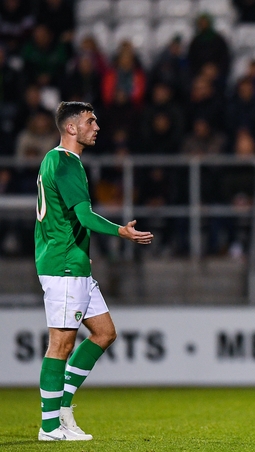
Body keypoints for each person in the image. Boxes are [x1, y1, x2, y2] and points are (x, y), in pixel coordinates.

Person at [35, 102, 153, 441]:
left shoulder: (52, 159)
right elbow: (85, 217)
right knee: (61, 344)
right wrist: (122, 231)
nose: (96, 126)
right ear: (71, 128)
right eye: (90, 121)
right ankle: (49, 427)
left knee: (104, 333)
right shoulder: (67, 163)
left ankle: (64, 408)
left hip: (72, 263)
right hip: (65, 264)